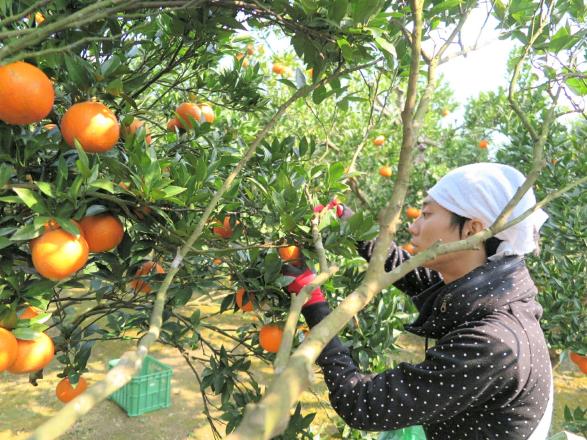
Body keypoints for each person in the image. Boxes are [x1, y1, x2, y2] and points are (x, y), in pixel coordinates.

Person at [286, 163, 553, 440]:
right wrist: (348, 222)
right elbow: (407, 271)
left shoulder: (493, 342)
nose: (413, 227)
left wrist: (313, 304)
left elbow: (362, 404)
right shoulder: (492, 290)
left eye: (425, 214)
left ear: (473, 229)